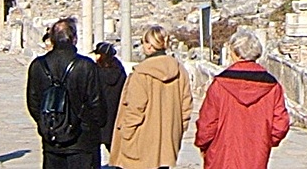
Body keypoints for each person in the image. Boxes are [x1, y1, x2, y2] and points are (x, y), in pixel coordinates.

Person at [195, 27, 290, 169]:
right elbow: (281, 124)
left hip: (222, 155)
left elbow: (207, 122)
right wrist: (265, 140)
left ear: (236, 53)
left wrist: (202, 143)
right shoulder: (272, 86)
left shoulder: (220, 85)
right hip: (256, 154)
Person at [108, 26, 193, 169]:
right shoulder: (180, 71)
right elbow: (186, 107)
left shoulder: (141, 74)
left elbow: (135, 109)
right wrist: (177, 131)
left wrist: (126, 134)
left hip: (140, 144)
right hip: (167, 144)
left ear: (149, 45)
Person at [26, 18, 104, 169]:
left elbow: (33, 103)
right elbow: (97, 104)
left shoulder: (37, 66)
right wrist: (89, 126)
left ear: (52, 39)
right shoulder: (86, 66)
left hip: (52, 138)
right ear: (74, 39)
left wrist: (48, 123)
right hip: (82, 139)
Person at [92, 41, 127, 159]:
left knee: (93, 148)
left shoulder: (96, 71)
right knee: (114, 146)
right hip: (116, 113)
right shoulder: (120, 70)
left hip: (99, 113)